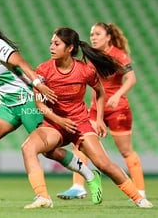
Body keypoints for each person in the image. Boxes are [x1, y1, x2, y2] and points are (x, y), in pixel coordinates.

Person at [0, 17, 102, 206]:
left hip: (28, 102)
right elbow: (6, 79)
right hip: (8, 105)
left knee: (49, 152)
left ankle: (90, 175)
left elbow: (21, 63)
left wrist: (38, 84)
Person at [21, 27, 153, 208]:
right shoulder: (43, 70)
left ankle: (139, 198)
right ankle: (43, 197)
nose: (51, 47)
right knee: (28, 147)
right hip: (54, 124)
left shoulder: (84, 71)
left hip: (80, 124)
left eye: (56, 44)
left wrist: (98, 120)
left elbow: (100, 92)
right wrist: (59, 121)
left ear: (69, 48)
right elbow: (40, 105)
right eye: (51, 43)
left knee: (104, 164)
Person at [57, 23, 146, 200]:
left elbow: (131, 78)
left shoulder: (119, 55)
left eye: (98, 34)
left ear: (108, 37)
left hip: (117, 109)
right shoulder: (91, 56)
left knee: (126, 150)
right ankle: (78, 186)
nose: (93, 37)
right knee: (79, 143)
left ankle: (140, 190)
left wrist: (118, 94)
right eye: (91, 34)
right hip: (95, 109)